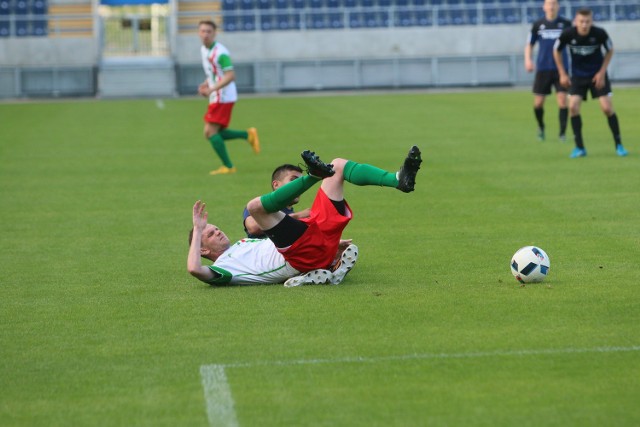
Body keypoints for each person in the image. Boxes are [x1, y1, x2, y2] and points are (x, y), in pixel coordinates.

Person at [187, 146, 423, 287]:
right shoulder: (224, 267)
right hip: (298, 254)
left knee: (338, 165)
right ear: (203, 250)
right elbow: (195, 270)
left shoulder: (242, 244)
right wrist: (198, 229)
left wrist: (330, 243)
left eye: (214, 228)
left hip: (312, 237)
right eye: (210, 233)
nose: (217, 231)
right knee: (256, 206)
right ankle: (314, 176)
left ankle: (397, 180)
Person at [553, 8, 628, 158]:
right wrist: (562, 73)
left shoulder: (599, 33)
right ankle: (580, 148)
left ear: (591, 21)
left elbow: (610, 50)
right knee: (573, 107)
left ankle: (619, 144)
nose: (584, 24)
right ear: (576, 21)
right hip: (578, 76)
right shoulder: (568, 34)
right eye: (581, 21)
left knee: (607, 108)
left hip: (597, 76)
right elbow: (556, 50)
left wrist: (602, 72)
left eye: (587, 21)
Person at [197, 20, 261, 175]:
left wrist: (211, 88)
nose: (205, 34)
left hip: (223, 96)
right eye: (203, 31)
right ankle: (247, 135)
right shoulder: (204, 50)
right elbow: (214, 73)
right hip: (217, 95)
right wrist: (206, 83)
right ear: (199, 33)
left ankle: (229, 166)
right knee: (214, 132)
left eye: (209, 31)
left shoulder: (220, 52)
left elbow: (230, 75)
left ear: (214, 33)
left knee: (210, 132)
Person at [524, 0, 572, 142]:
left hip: (561, 69)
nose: (551, 6)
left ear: (558, 6)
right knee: (538, 103)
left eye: (554, 3)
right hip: (543, 68)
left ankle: (562, 133)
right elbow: (529, 44)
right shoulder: (538, 25)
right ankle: (541, 126)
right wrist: (528, 60)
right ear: (544, 6)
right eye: (549, 3)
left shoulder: (566, 24)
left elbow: (574, 42)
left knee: (563, 101)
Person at [243, 164, 311, 239]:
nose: (298, 187)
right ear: (276, 185)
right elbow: (254, 228)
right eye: (293, 181)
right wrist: (297, 217)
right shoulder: (259, 206)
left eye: (300, 183)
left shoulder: (292, 214)